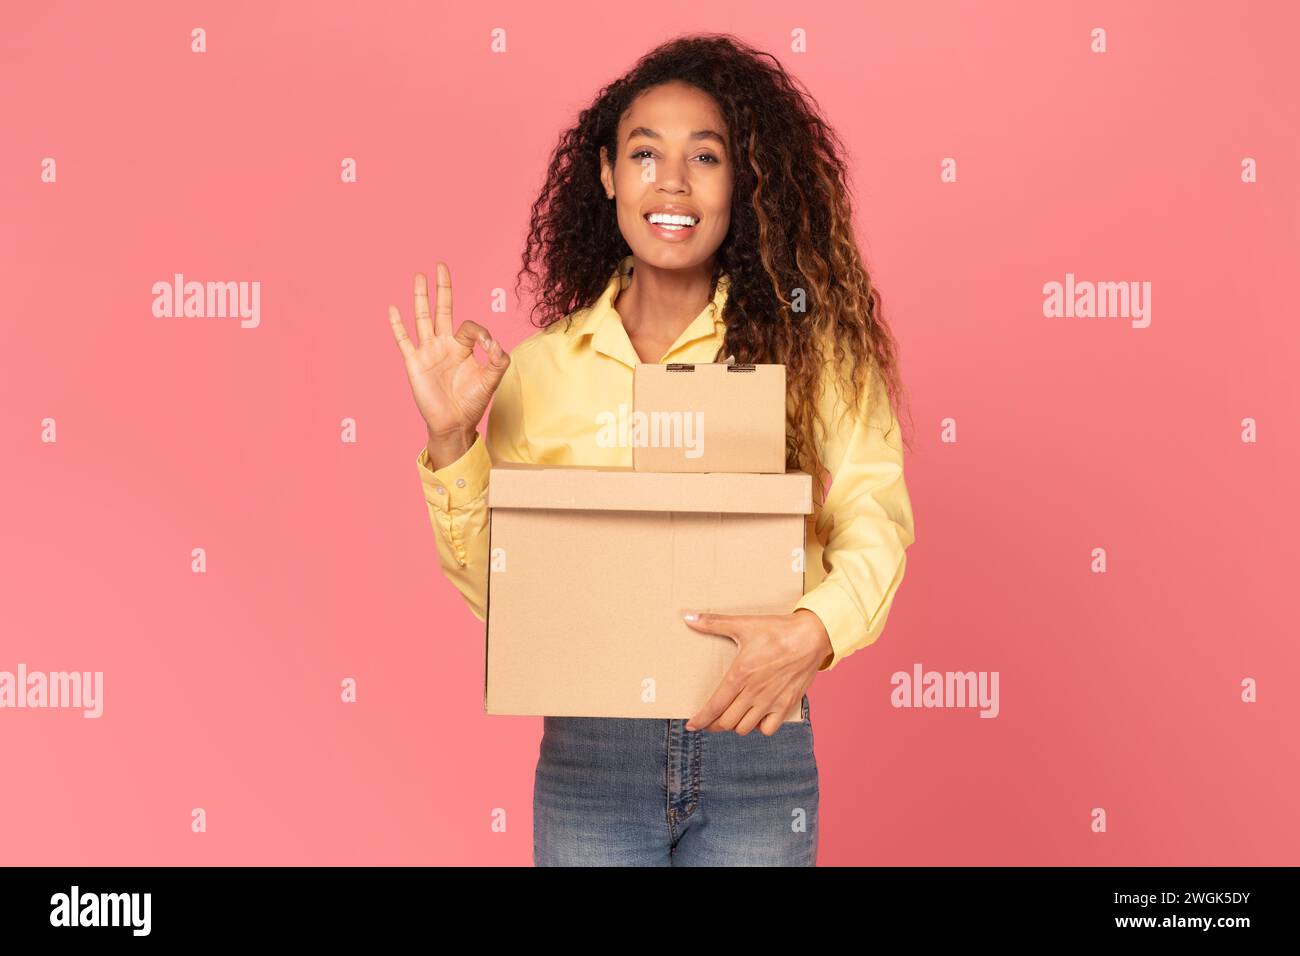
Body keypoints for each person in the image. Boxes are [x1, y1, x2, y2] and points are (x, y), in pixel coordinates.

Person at [388, 34, 916, 866]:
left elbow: (875, 521)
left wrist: (815, 631)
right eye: (644, 153)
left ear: (742, 179)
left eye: (704, 156)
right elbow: (508, 597)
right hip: (592, 757)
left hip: (758, 740)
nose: (671, 182)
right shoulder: (536, 374)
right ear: (606, 175)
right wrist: (453, 438)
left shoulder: (815, 357)